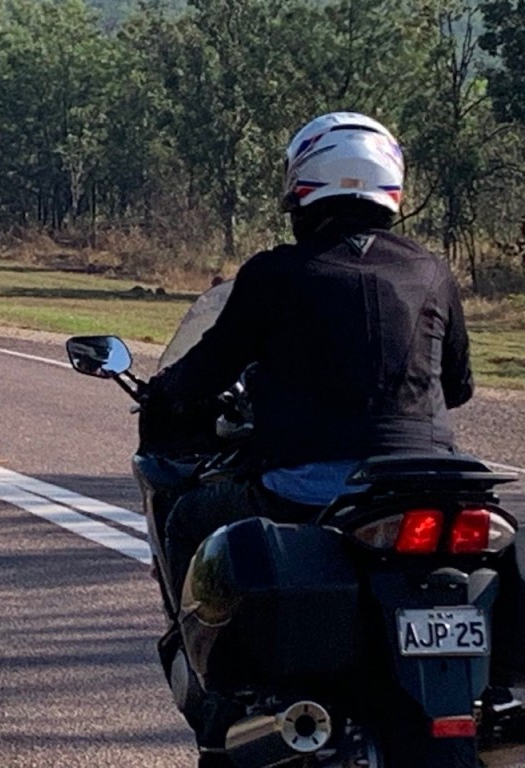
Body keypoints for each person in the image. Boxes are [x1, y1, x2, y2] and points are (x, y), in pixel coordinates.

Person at [145, 112, 475, 752]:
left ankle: (217, 695)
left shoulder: (275, 273)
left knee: (190, 517)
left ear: (303, 187)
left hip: (312, 485)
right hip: (430, 484)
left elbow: (205, 371)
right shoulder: (431, 270)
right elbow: (457, 386)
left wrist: (164, 394)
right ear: (392, 189)